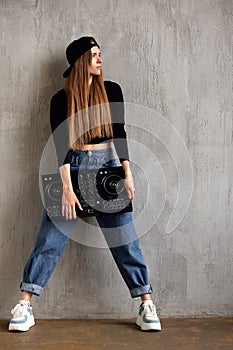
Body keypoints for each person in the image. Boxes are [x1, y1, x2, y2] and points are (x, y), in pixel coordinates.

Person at [9, 36, 161, 332]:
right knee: (49, 240)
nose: (100, 59)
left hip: (107, 167)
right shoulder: (60, 99)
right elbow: (60, 145)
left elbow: (119, 133)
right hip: (72, 167)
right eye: (94, 55)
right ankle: (25, 304)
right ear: (80, 62)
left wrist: (127, 173)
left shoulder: (112, 91)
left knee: (126, 241)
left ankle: (146, 304)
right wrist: (66, 188)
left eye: (100, 54)